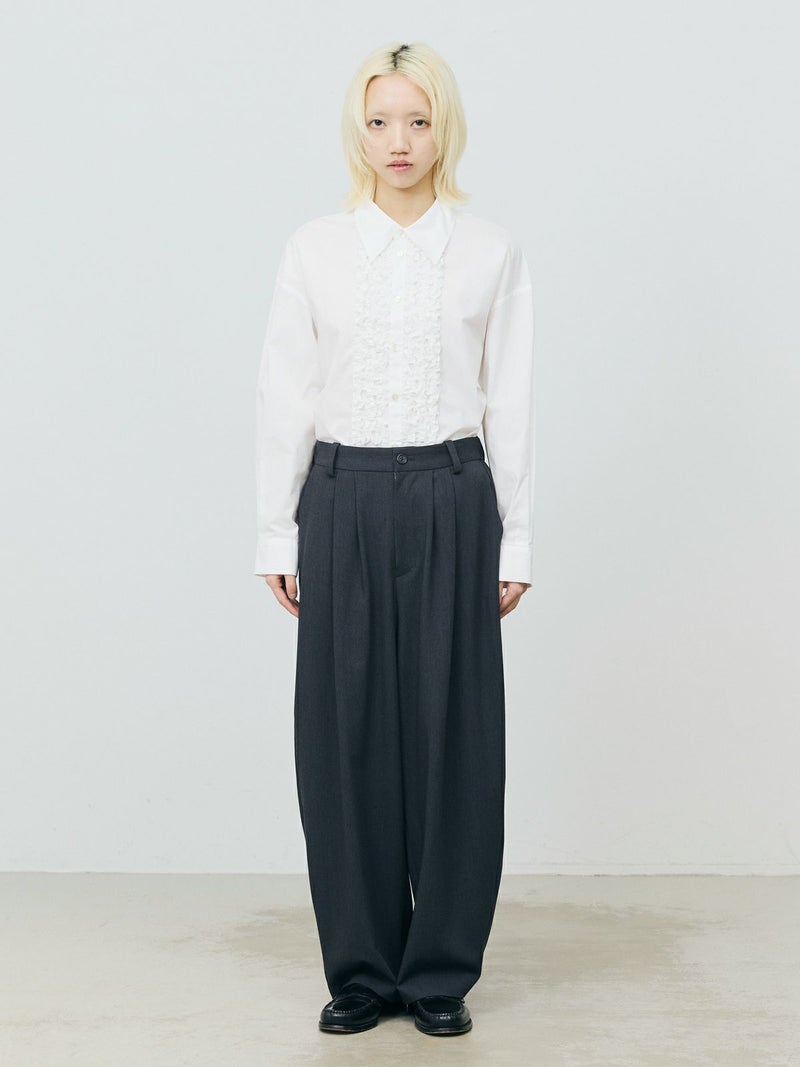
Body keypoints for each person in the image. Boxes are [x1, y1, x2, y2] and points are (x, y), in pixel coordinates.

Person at [254, 40, 535, 1037]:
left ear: (443, 128)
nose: (398, 141)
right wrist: (275, 531)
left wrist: (514, 543)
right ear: (358, 131)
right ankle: (362, 971)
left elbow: (511, 403)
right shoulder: (315, 250)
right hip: (342, 497)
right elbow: (286, 393)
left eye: (417, 120)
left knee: (457, 732)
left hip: (454, 495)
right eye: (380, 121)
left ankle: (439, 971)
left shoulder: (489, 250)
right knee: (345, 733)